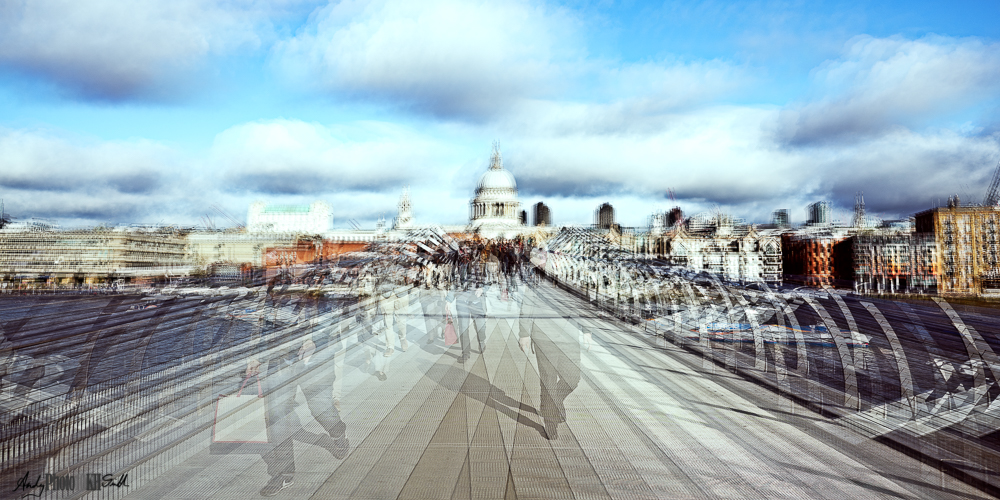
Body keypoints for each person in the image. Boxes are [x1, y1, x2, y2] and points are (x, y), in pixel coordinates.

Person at [247, 295, 350, 497]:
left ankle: (339, 435)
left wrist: (315, 339)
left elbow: (333, 311)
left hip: (317, 356)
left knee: (320, 408)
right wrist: (257, 356)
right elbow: (269, 322)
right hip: (283, 358)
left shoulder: (320, 278)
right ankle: (284, 473)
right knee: (277, 415)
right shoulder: (278, 284)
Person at [517, 283, 580, 440]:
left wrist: (586, 330)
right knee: (548, 379)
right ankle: (550, 421)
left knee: (573, 377)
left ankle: (554, 402)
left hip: (569, 334)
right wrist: (524, 332)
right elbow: (528, 302)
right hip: (544, 334)